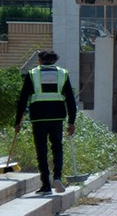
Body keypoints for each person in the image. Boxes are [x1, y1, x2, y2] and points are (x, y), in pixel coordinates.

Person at [15, 49, 79, 194]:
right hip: (57, 117)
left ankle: (46, 185)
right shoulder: (63, 74)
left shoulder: (32, 74)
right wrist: (71, 121)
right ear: (54, 60)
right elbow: (70, 99)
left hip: (39, 117)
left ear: (39, 60)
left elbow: (23, 99)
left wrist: (18, 121)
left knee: (41, 150)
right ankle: (57, 177)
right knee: (57, 147)